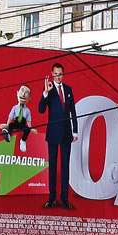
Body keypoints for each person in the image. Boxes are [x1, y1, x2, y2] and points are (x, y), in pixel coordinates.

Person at [37, 62, 78, 210]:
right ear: (52, 74)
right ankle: (52, 198)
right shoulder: (49, 89)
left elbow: (73, 111)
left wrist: (75, 131)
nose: (58, 77)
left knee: (65, 166)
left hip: (67, 133)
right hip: (53, 133)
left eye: (60, 74)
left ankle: (65, 199)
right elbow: (41, 109)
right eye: (55, 74)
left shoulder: (68, 89)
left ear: (63, 74)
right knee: (53, 167)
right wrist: (45, 93)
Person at [0, 84, 32, 151]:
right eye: (22, 91)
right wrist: (7, 125)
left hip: (22, 124)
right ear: (17, 93)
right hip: (16, 122)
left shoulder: (27, 110)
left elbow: (29, 121)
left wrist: (31, 128)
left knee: (27, 129)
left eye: (26, 92)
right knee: (11, 125)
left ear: (29, 98)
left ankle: (23, 141)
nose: (23, 94)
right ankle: (8, 135)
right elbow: (10, 117)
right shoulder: (15, 108)